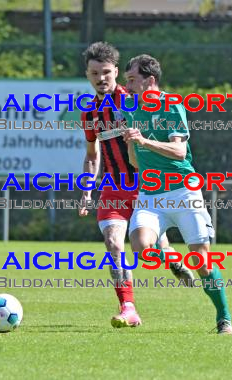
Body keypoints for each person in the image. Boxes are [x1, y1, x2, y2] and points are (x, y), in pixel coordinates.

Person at [78, 42, 194, 328]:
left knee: (152, 247)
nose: (101, 78)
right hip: (113, 188)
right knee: (113, 243)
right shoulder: (90, 114)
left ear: (116, 72)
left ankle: (172, 259)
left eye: (106, 72)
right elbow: (93, 157)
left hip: (146, 187)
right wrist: (86, 190)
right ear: (88, 75)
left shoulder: (135, 100)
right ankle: (128, 307)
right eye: (94, 73)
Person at [121, 54, 232, 335]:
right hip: (150, 195)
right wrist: (131, 143)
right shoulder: (131, 108)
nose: (128, 86)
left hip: (183, 191)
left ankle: (224, 318)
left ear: (150, 80)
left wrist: (144, 140)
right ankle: (172, 259)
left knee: (202, 261)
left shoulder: (171, 105)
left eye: (132, 80)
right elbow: (135, 163)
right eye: (127, 81)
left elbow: (179, 151)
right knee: (141, 248)